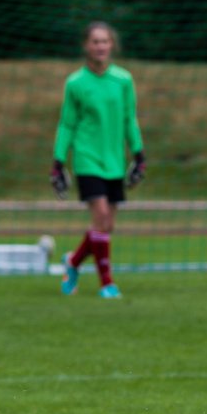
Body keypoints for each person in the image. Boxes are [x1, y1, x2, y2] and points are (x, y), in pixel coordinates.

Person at [51, 21, 145, 299]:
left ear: (111, 45)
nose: (100, 46)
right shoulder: (76, 83)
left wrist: (139, 154)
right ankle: (107, 282)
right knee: (101, 216)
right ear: (86, 46)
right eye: (95, 41)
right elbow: (67, 124)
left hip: (114, 160)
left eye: (105, 41)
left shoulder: (123, 80)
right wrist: (58, 161)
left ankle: (73, 262)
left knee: (106, 226)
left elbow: (130, 118)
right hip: (87, 158)